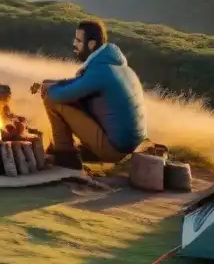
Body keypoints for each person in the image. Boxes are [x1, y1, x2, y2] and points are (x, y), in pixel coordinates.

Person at [34, 19, 147, 170]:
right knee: (55, 89)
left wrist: (47, 88)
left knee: (51, 99)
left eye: (79, 41)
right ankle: (79, 150)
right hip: (129, 144)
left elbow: (58, 96)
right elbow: (79, 84)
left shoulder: (101, 72)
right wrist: (51, 83)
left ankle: (65, 156)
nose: (74, 44)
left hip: (114, 149)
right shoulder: (113, 66)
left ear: (92, 44)